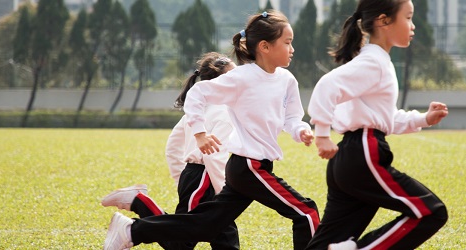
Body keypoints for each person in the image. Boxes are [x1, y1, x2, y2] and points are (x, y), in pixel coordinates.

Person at [103, 10, 319, 250]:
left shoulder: (287, 80)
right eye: (287, 43)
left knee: (207, 225)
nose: (292, 49)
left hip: (249, 167)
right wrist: (200, 134)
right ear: (265, 47)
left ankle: (132, 230)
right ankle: (135, 227)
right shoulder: (241, 78)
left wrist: (301, 130)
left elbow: (291, 117)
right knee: (307, 212)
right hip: (249, 166)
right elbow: (197, 93)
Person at [304, 0, 449, 249]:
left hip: (349, 157)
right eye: (408, 18)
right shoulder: (374, 62)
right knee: (431, 211)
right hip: (364, 153)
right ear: (384, 21)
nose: (413, 26)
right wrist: (322, 134)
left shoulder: (376, 61)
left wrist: (423, 119)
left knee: (327, 244)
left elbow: (384, 117)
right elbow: (328, 86)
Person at [101, 52, 239, 249]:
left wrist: (180, 177)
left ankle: (138, 203)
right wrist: (224, 191)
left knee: (224, 234)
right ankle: (138, 203)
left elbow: (173, 146)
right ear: (220, 82)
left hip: (193, 177)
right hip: (205, 180)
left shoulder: (198, 111)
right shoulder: (225, 111)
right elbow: (215, 156)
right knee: (181, 241)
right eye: (234, 76)